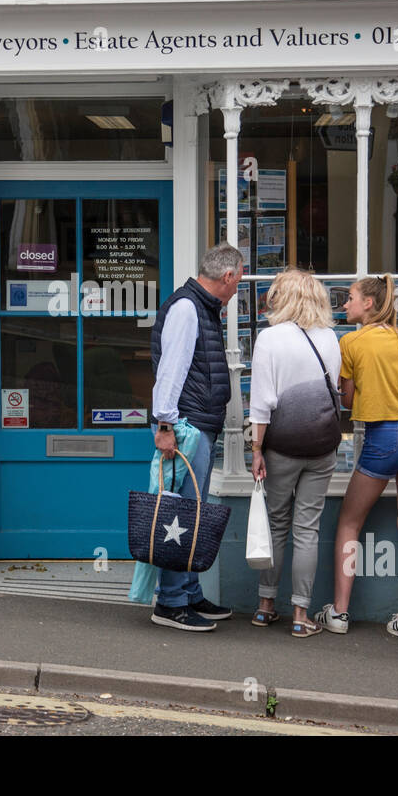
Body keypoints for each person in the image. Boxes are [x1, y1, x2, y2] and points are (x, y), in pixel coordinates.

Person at [316, 274, 398, 643]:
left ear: (368, 303)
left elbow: (347, 401)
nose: (344, 304)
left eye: (349, 298)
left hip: (384, 437)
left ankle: (339, 612)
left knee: (349, 523)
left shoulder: (351, 342)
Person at [148, 242, 244, 632]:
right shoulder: (188, 309)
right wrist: (165, 426)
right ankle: (170, 602)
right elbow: (170, 371)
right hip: (186, 428)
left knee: (192, 513)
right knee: (180, 514)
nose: (238, 288)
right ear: (227, 276)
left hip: (195, 424)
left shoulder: (199, 307)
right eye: (238, 280)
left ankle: (188, 592)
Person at [248, 269, 342, 637]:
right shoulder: (331, 338)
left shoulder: (269, 339)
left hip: (281, 446)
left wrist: (256, 450)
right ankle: (301, 616)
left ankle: (265, 606)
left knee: (275, 525)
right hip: (321, 446)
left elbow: (262, 403)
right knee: (307, 529)